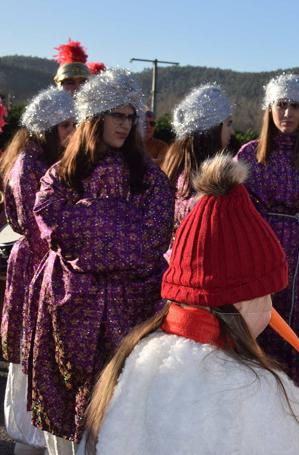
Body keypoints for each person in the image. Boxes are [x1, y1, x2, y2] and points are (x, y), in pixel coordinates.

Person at [76, 154, 299, 455]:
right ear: (244, 298)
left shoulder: (140, 355)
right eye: (268, 294)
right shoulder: (247, 385)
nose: (271, 308)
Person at [26, 68, 174, 453]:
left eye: (130, 116)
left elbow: (153, 237)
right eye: (116, 115)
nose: (125, 125)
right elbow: (49, 221)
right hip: (69, 307)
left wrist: (88, 223)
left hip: (133, 308)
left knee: (123, 411)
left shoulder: (149, 178)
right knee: (71, 408)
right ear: (95, 118)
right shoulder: (62, 173)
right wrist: (116, 223)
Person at [236, 73, 299, 396]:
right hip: (257, 268)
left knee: (295, 335)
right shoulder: (248, 155)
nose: (287, 113)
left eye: (295, 106)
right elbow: (235, 209)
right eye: (281, 105)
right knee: (258, 333)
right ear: (269, 109)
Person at [0, 87, 75, 455]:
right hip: (35, 265)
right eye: (66, 125)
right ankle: (31, 436)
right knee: (32, 353)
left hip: (45, 263)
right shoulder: (28, 166)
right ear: (46, 128)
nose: (73, 131)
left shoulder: (49, 160)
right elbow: (39, 227)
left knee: (43, 354)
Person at [162, 83, 234, 231]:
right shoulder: (208, 178)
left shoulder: (177, 163)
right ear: (213, 128)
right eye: (228, 123)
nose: (232, 131)